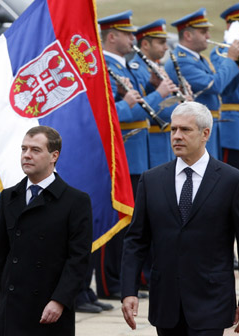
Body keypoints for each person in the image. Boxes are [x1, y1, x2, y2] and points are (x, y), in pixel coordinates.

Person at [121, 101, 239, 335]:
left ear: (205, 133)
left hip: (212, 302)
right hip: (166, 303)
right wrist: (128, 291)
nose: (177, 136)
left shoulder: (231, 181)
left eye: (185, 130)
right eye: (173, 129)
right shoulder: (151, 180)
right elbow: (136, 241)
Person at [0, 126, 93, 336]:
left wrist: (60, 300)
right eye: (24, 149)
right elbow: (0, 256)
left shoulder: (75, 201)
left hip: (49, 309)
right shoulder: (10, 196)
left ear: (54, 156)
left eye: (35, 150)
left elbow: (79, 259)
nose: (27, 155)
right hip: (12, 308)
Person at [95, 10, 153, 302]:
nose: (134, 39)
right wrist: (135, 102)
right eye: (128, 34)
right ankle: (108, 282)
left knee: (134, 223)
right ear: (112, 36)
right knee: (115, 220)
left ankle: (129, 279)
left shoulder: (129, 66)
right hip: (119, 155)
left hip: (137, 152)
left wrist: (154, 87)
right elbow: (101, 116)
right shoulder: (102, 67)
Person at [165, 8, 239, 160]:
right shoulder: (182, 60)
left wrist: (238, 64)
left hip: (208, 127)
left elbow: (223, 90)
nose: (208, 36)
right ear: (188, 35)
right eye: (203, 32)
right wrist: (230, 60)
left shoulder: (198, 59)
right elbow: (213, 85)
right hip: (194, 129)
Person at [211, 2, 239, 176]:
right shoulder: (221, 51)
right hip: (231, 125)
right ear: (231, 27)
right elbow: (222, 85)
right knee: (228, 178)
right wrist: (234, 59)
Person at [130, 19, 183, 168]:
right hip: (153, 141)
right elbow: (151, 107)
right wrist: (176, 105)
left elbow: (164, 102)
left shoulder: (156, 68)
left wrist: (180, 99)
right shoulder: (136, 70)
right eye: (161, 42)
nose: (166, 47)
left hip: (166, 141)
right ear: (145, 44)